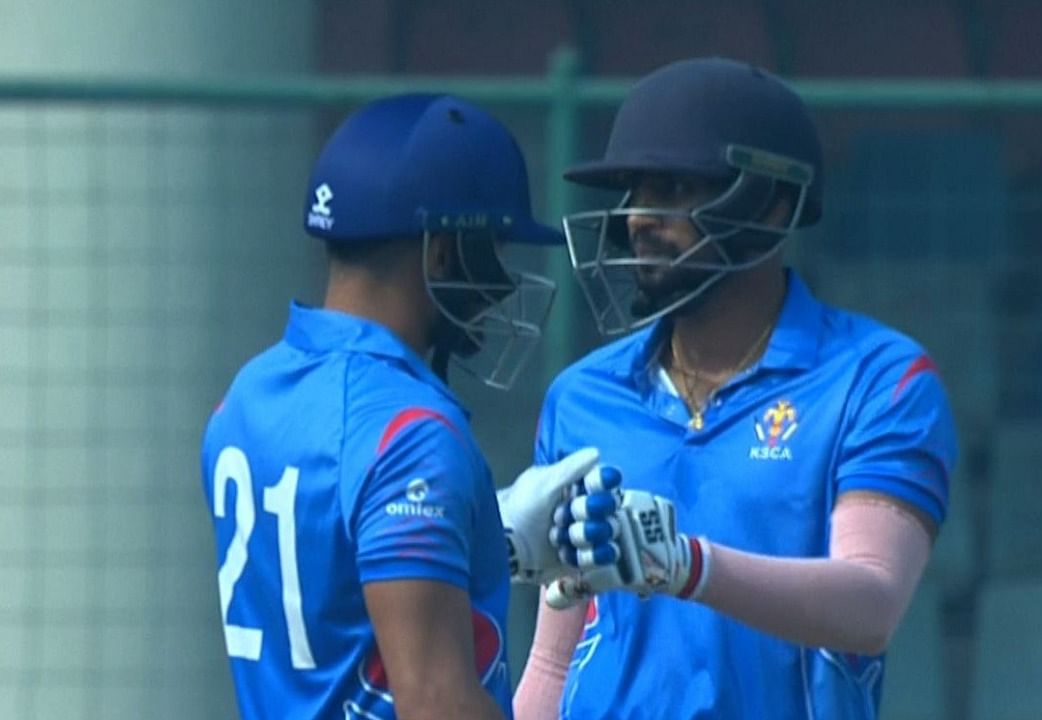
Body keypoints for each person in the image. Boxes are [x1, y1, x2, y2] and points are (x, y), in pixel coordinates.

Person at [515, 58, 958, 719]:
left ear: (772, 203)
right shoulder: (582, 396)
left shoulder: (878, 379)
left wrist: (688, 565)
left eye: (673, 188)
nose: (638, 217)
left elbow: (871, 603)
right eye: (634, 190)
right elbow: (557, 656)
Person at [201, 94, 619, 720]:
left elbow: (333, 580)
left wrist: (493, 539)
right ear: (444, 250)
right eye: (495, 249)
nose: (502, 282)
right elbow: (435, 701)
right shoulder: (413, 430)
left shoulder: (246, 395)